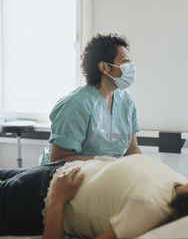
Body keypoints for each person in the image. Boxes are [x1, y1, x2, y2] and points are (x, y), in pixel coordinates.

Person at [0, 155, 188, 239]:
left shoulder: (151, 210)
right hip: (50, 171)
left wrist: (58, 200)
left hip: (34, 199)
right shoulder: (175, 181)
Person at [40, 33, 141, 165]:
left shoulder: (126, 100)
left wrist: (142, 169)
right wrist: (102, 163)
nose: (130, 66)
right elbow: (58, 159)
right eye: (125, 62)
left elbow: (132, 150)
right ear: (104, 67)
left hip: (106, 175)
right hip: (69, 179)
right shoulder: (76, 104)